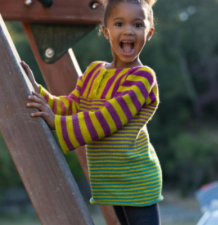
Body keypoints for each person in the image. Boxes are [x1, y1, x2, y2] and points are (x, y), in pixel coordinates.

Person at [22, 0, 163, 224]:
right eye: (119, 23)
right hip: (110, 180)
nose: (128, 30)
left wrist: (56, 122)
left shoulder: (141, 77)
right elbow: (73, 104)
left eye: (137, 25)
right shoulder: (95, 71)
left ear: (149, 33)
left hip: (136, 179)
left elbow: (107, 118)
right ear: (106, 31)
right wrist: (37, 91)